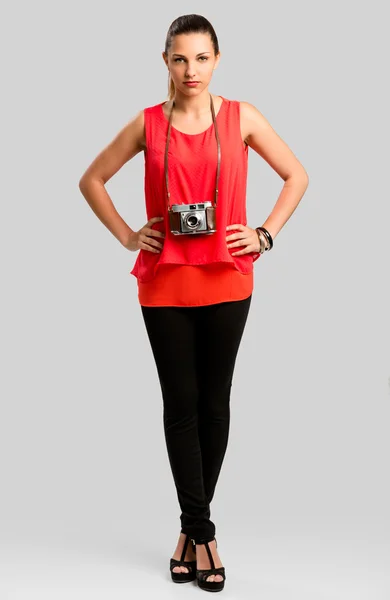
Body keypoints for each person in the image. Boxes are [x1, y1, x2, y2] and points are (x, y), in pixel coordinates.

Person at [79, 13, 309, 593]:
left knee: (215, 405)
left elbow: (297, 176)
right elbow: (92, 180)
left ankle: (189, 532)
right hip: (163, 282)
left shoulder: (241, 117)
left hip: (228, 279)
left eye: (201, 58)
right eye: (180, 58)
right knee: (180, 405)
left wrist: (264, 234)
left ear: (217, 60)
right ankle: (204, 534)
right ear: (164, 62)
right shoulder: (147, 124)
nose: (191, 70)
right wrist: (131, 235)